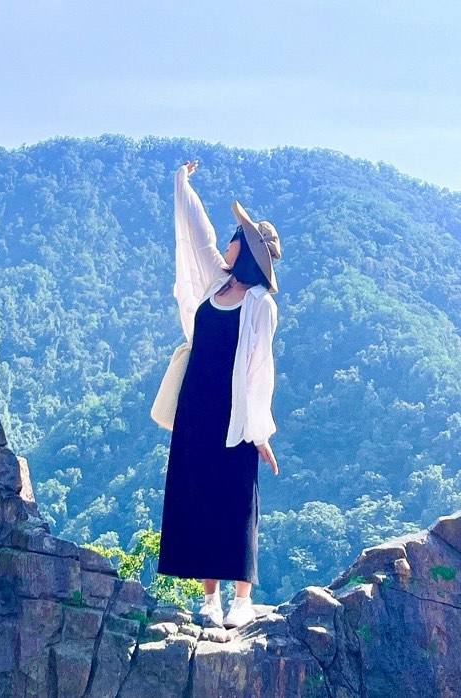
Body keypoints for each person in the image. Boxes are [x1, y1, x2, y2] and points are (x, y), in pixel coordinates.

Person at [152, 160, 281, 631]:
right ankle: (211, 600)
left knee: (236, 500)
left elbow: (259, 370)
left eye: (235, 237)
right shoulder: (214, 285)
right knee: (201, 495)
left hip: (235, 416)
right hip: (196, 412)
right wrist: (182, 184)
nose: (226, 241)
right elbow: (197, 234)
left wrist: (260, 429)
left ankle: (242, 598)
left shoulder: (260, 305)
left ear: (243, 249)